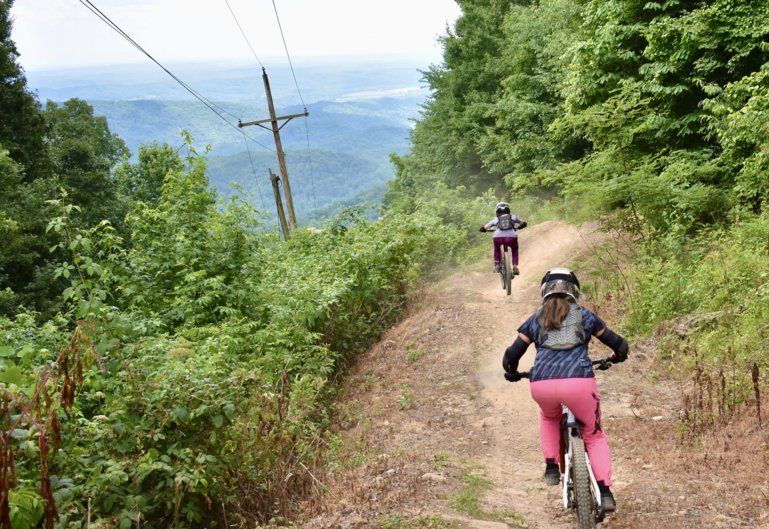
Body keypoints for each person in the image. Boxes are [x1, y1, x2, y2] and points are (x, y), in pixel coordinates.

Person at [501, 267, 629, 512]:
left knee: (549, 416)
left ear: (544, 291)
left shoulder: (535, 318)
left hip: (542, 384)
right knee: (593, 435)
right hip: (579, 382)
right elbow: (618, 343)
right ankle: (605, 492)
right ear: (575, 291)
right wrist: (617, 356)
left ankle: (551, 466)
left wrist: (512, 371)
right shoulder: (584, 316)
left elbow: (511, 355)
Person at [479, 202, 526, 275]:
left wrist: (483, 229)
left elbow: (486, 226)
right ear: (508, 210)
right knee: (514, 249)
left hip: (498, 237)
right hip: (511, 237)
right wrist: (523, 225)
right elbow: (522, 222)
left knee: (497, 248)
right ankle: (515, 266)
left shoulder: (496, 219)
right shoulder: (513, 217)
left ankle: (497, 265)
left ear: (497, 212)